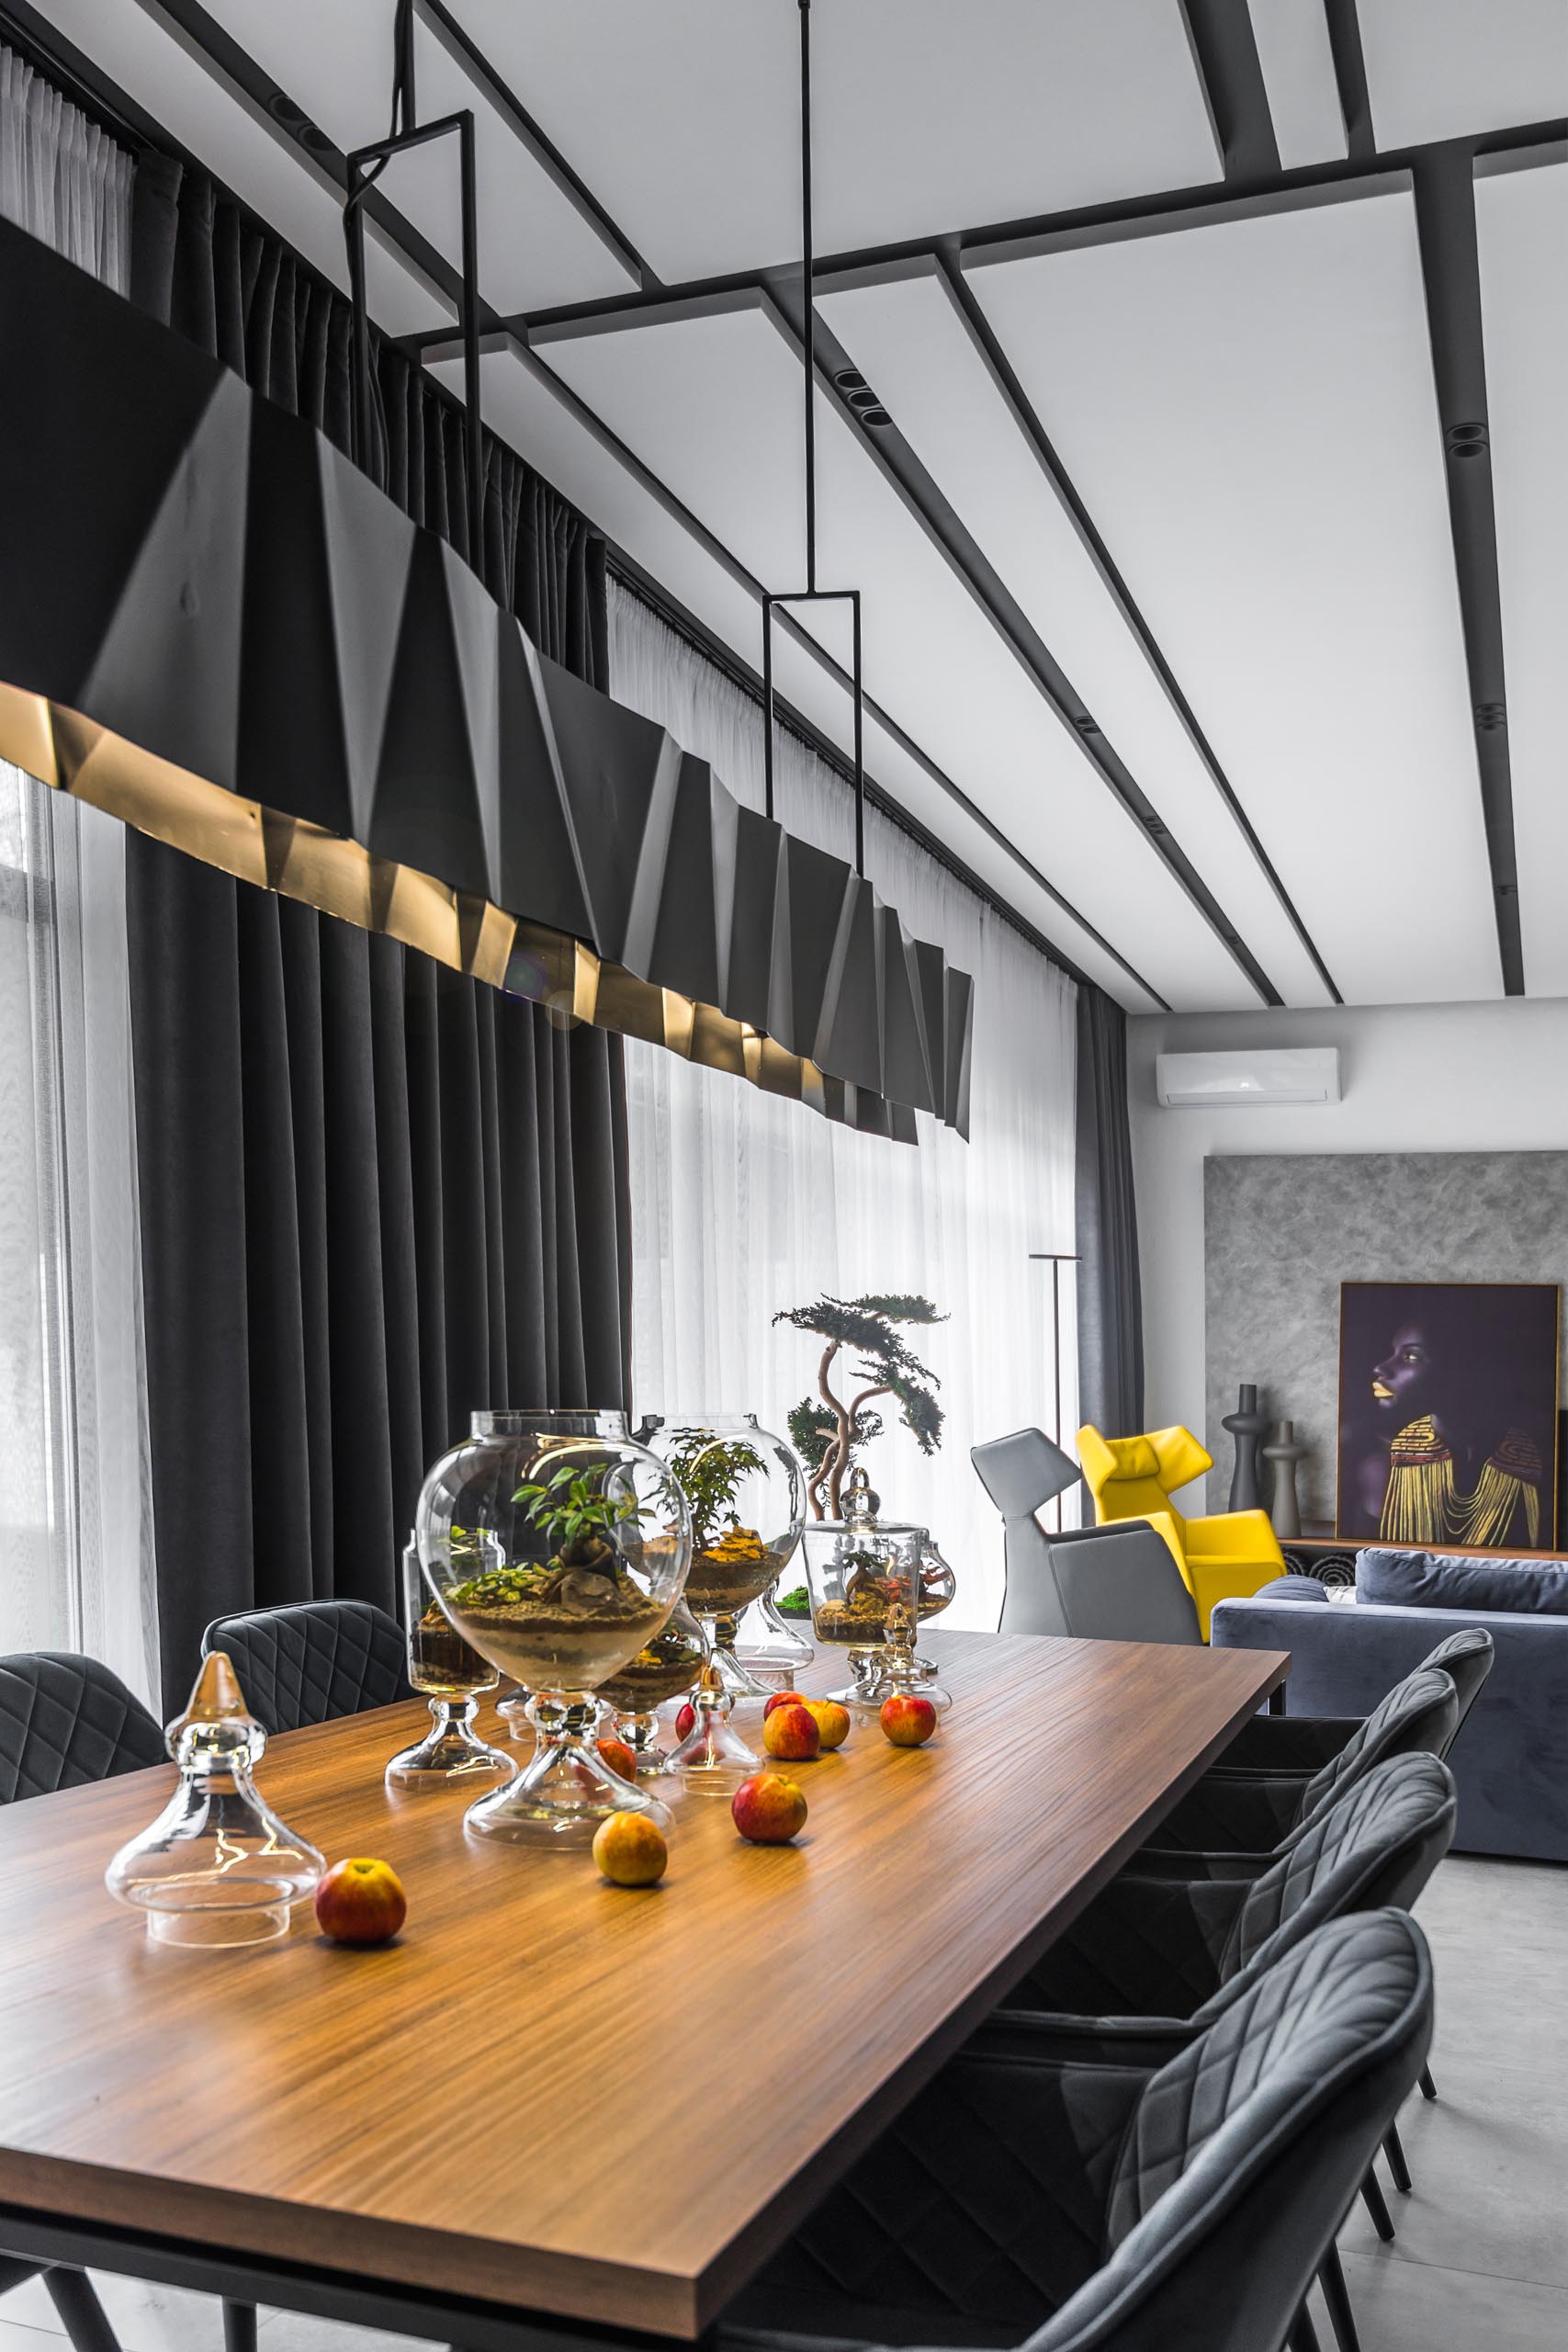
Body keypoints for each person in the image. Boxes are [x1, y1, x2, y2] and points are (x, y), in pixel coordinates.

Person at [1343, 1295, 1550, 1548]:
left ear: (1461, 1369)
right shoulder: (1377, 1463)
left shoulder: (1530, 1460)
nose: (1381, 1368)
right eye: (1394, 1352)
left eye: (1411, 1357)